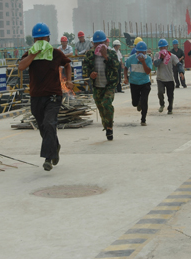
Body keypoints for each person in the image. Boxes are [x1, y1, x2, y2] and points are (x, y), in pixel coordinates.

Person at [18, 23, 73, 171]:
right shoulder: (30, 53)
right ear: (34, 41)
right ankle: (54, 145)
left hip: (53, 95)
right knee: (43, 126)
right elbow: (21, 66)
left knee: (49, 123)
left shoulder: (55, 53)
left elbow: (67, 64)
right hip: (36, 95)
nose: (41, 41)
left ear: (48, 38)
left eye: (43, 38)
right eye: (38, 39)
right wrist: (34, 54)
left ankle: (48, 158)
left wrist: (68, 80)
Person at [83, 31, 120, 141]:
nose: (99, 46)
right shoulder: (90, 54)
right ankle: (106, 123)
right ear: (93, 44)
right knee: (100, 106)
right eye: (96, 43)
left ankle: (109, 128)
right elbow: (85, 67)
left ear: (106, 42)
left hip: (109, 84)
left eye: (101, 43)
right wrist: (90, 74)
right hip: (97, 85)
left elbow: (117, 66)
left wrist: (105, 56)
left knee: (106, 103)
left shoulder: (112, 54)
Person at [124, 41, 152, 126]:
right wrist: (125, 78)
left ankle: (143, 119)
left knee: (144, 101)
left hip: (144, 83)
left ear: (145, 52)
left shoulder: (148, 59)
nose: (140, 54)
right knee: (135, 103)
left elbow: (148, 72)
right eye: (138, 52)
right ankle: (138, 102)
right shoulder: (131, 58)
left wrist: (143, 62)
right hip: (134, 83)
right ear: (136, 51)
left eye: (142, 52)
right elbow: (125, 68)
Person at [154, 39, 179, 115]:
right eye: (161, 48)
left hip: (169, 78)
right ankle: (162, 104)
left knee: (170, 95)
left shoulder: (172, 56)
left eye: (164, 48)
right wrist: (161, 58)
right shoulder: (157, 55)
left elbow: (178, 64)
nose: (163, 49)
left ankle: (170, 108)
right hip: (160, 78)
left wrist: (181, 72)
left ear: (167, 47)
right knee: (160, 92)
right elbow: (155, 64)